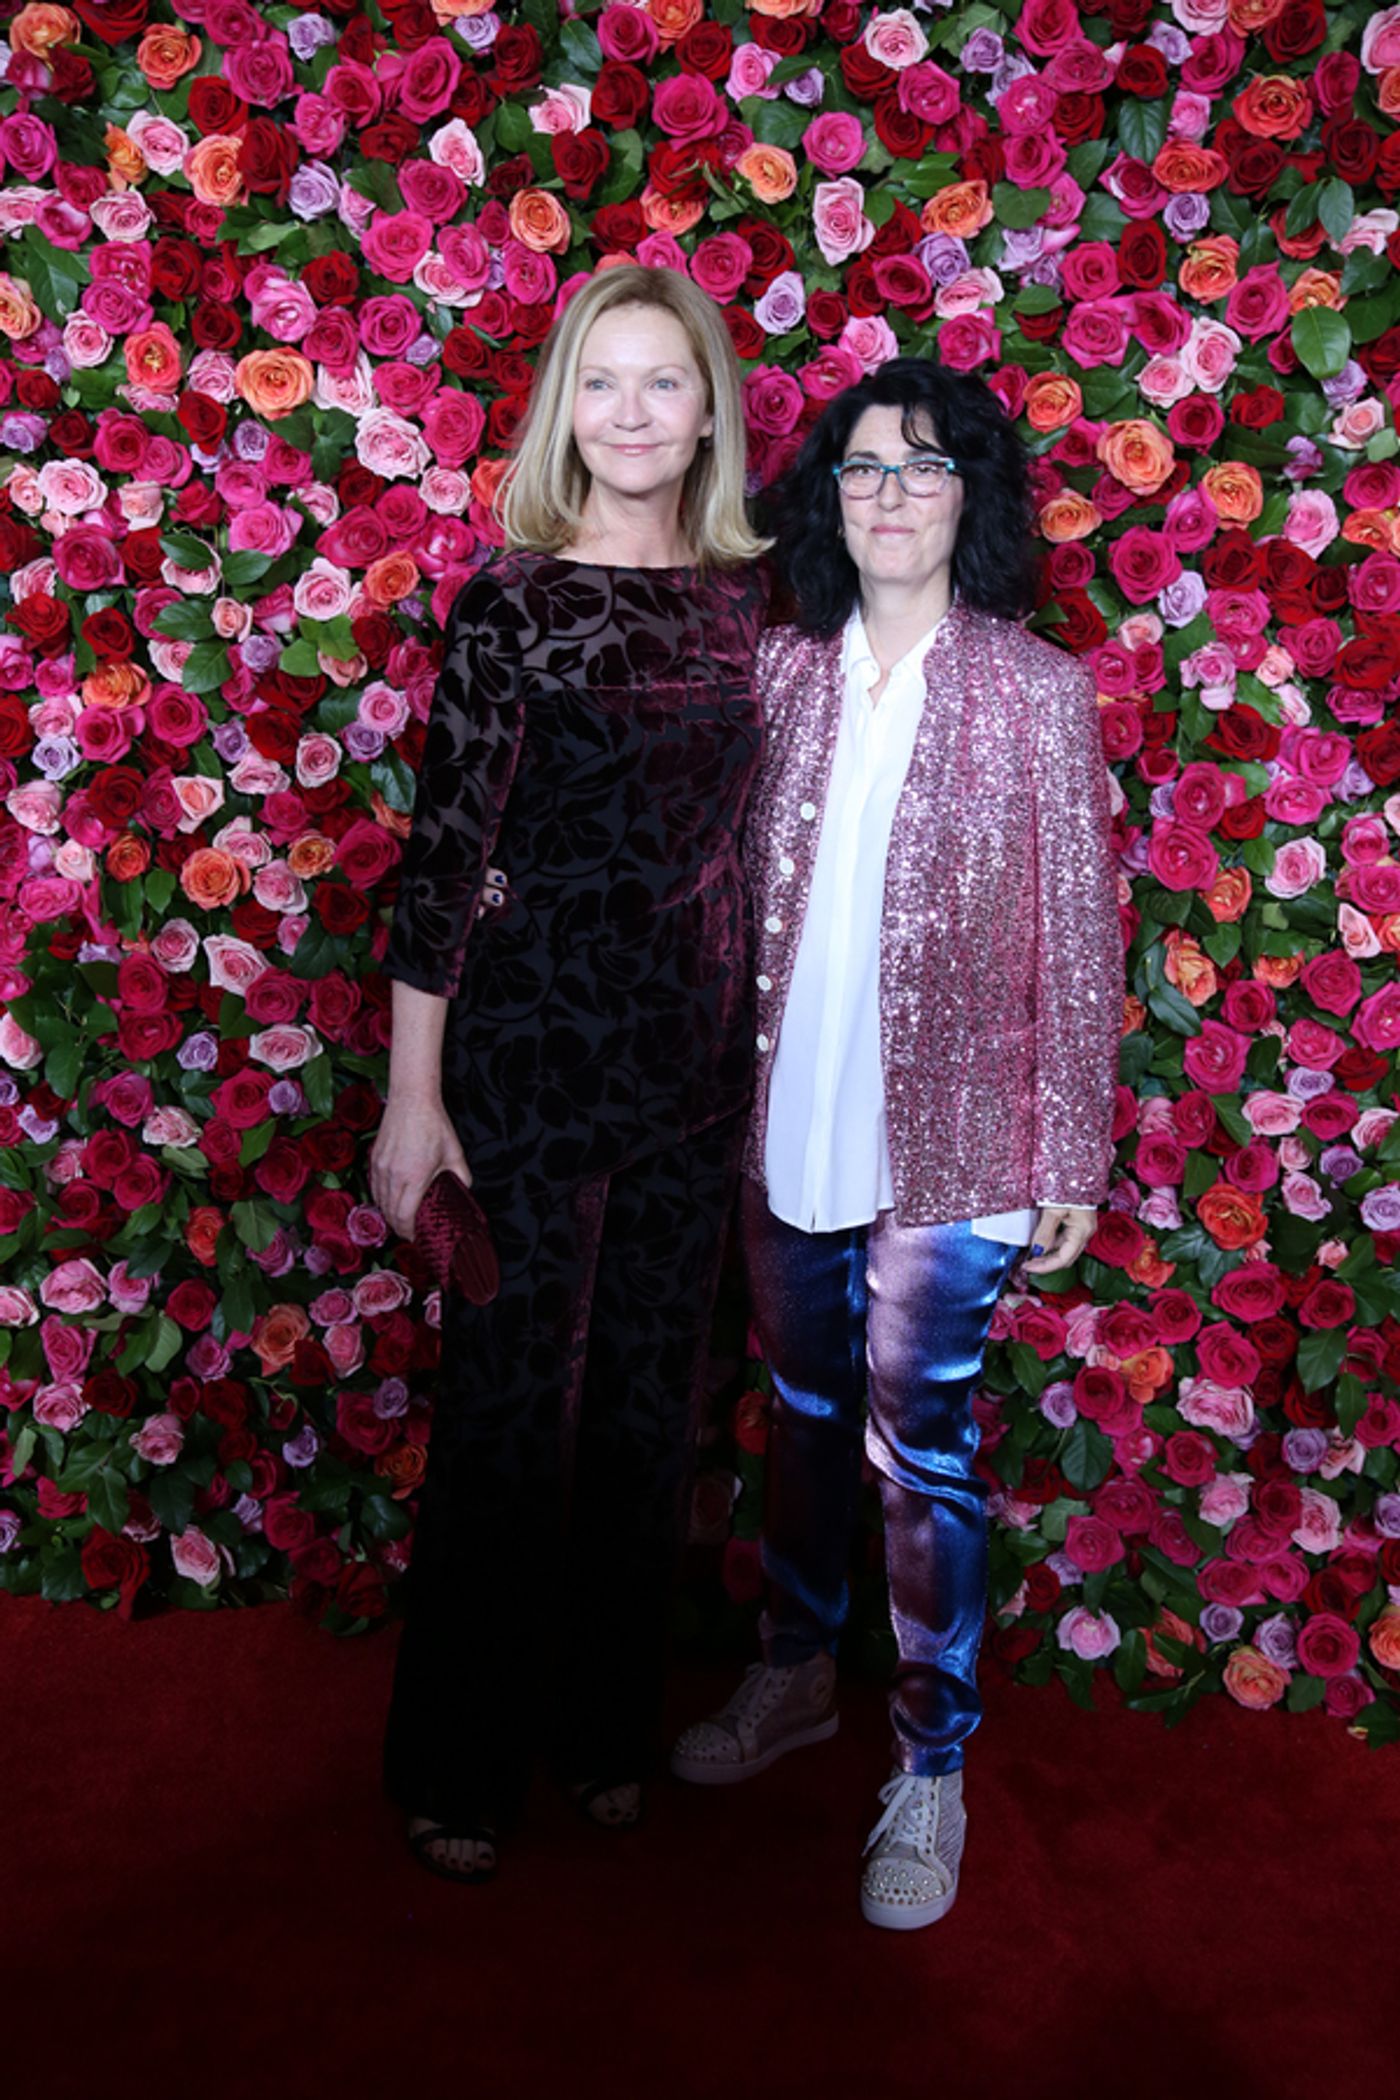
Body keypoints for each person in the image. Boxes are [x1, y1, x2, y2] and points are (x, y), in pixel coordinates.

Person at [670, 358, 1123, 1931]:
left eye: (926, 468)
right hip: (789, 1109)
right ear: (830, 498)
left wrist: (1069, 1150)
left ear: (970, 496)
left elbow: (1079, 937)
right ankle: (797, 1671)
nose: (891, 496)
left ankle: (930, 1765)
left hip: (961, 1131)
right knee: (799, 1415)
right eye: (865, 468)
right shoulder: (781, 672)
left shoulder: (1036, 691)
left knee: (919, 1444)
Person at [370, 264, 769, 1884]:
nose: (630, 412)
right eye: (599, 382)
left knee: (650, 1414)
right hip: (526, 1062)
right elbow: (441, 859)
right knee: (508, 1413)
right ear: (562, 410)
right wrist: (414, 1101)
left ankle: (603, 1728)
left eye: (663, 381)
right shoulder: (512, 606)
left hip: (691, 1070)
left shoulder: (756, 607)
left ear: (708, 412)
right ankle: (458, 1762)